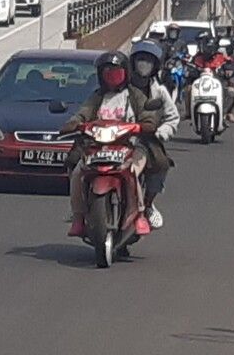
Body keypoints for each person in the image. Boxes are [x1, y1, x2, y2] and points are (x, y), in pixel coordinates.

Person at [59, 51, 158, 238]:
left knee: (134, 171)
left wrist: (144, 124)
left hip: (130, 147)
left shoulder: (135, 95)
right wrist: (74, 123)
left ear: (126, 73)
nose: (112, 77)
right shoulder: (96, 97)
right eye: (107, 73)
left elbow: (148, 114)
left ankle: (140, 214)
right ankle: (78, 217)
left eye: (116, 72)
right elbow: (83, 113)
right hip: (97, 148)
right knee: (78, 172)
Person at [129, 40, 179, 229]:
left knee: (161, 164)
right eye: (140, 60)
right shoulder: (120, 86)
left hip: (146, 139)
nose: (144, 65)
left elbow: (172, 117)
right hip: (115, 138)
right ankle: (82, 207)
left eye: (148, 61)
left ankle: (148, 204)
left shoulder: (159, 91)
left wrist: (161, 132)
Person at [189, 32, 234, 124]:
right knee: (188, 89)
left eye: (211, 46)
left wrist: (228, 71)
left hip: (218, 83)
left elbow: (228, 66)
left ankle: (228, 112)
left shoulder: (221, 57)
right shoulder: (197, 58)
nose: (209, 49)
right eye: (206, 45)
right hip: (200, 85)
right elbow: (190, 66)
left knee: (231, 91)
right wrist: (190, 71)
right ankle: (188, 112)